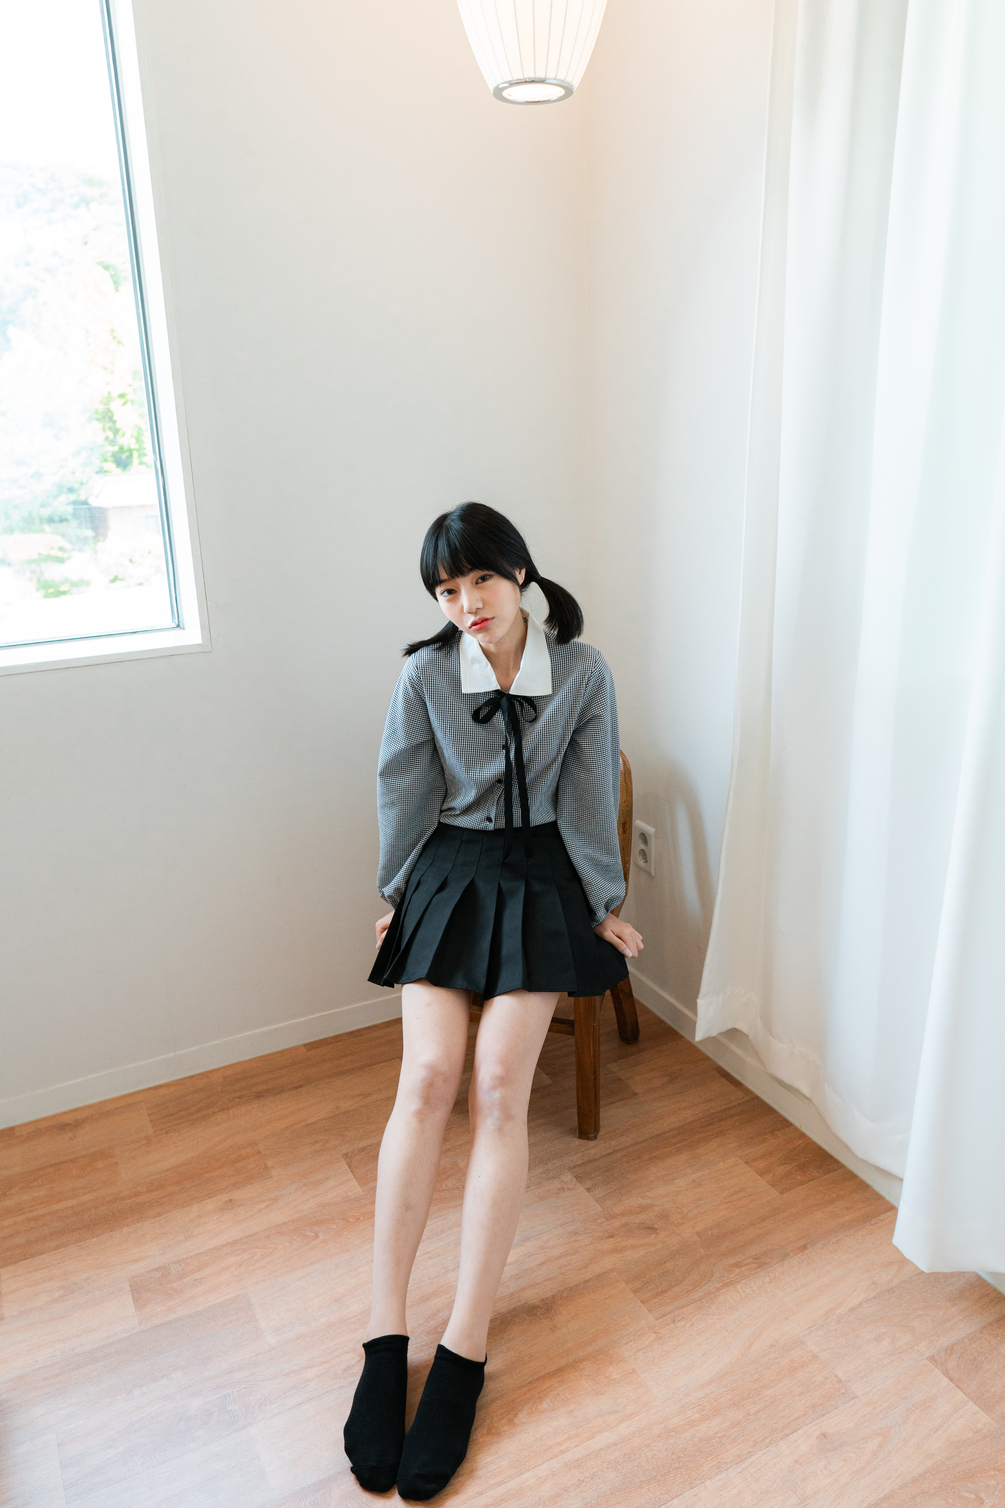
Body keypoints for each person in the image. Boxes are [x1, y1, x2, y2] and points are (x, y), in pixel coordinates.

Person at [343, 502, 643, 1501]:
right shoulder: (425, 674)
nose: (466, 602)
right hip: (450, 869)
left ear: (520, 574)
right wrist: (397, 897)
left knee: (502, 1085)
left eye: (480, 579)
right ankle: (384, 1335)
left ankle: (465, 1344)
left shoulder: (583, 671)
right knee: (428, 1075)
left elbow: (589, 792)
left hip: (543, 875)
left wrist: (603, 904)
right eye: (446, 588)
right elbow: (402, 787)